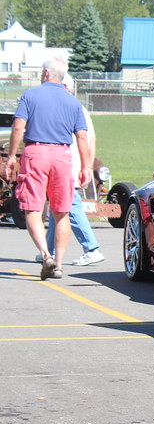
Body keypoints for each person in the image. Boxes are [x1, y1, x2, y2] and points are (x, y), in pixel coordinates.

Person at [3, 57, 91, 280]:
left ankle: (45, 255)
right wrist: (86, 166)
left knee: (33, 208)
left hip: (36, 152)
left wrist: (12, 156)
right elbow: (82, 136)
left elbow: (18, 127)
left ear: (45, 74)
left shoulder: (31, 95)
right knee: (62, 212)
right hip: (63, 155)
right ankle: (59, 264)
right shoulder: (73, 102)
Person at [41, 74, 104, 266]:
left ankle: (92, 248)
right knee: (57, 206)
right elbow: (91, 139)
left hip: (69, 163)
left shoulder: (71, 107)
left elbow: (87, 139)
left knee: (71, 205)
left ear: (65, 87)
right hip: (68, 163)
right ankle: (48, 250)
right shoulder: (76, 107)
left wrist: (87, 165)